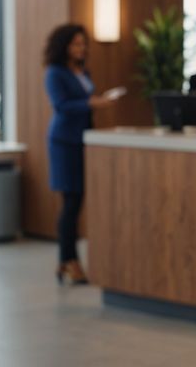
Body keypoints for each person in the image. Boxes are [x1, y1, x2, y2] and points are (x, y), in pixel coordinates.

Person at [44, 24, 112, 285]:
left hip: (85, 139)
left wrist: (97, 102)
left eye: (83, 44)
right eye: (76, 44)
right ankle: (68, 259)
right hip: (64, 142)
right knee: (70, 202)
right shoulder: (55, 73)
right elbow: (61, 105)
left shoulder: (84, 71)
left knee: (78, 199)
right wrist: (92, 102)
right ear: (64, 46)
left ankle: (66, 261)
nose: (81, 48)